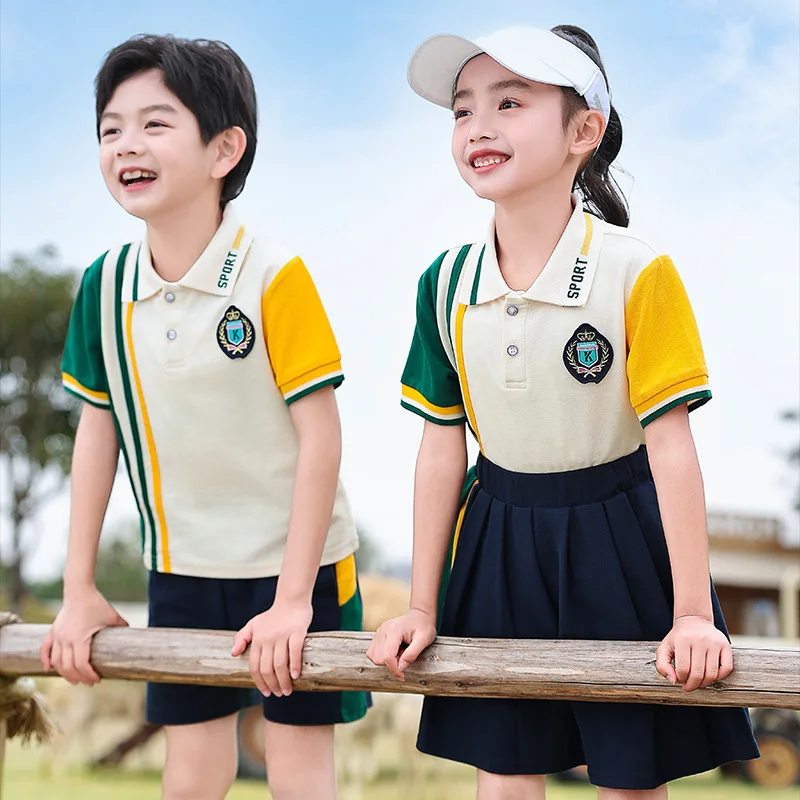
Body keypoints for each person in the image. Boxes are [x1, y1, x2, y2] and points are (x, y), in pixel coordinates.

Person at [367, 24, 759, 798]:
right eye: (462, 109)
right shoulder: (444, 284)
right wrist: (420, 604)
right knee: (506, 773)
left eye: (509, 102)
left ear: (585, 130)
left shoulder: (636, 271)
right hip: (499, 534)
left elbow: (672, 450)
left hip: (622, 538)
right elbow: (441, 449)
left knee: (627, 776)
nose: (478, 125)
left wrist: (691, 615)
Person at [40, 34, 368, 800]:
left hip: (302, 567)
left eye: (156, 124)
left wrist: (292, 601)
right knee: (189, 777)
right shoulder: (104, 285)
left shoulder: (274, 276)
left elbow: (321, 435)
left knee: (297, 774)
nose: (127, 144)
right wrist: (78, 588)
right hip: (183, 568)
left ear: (225, 149)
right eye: (111, 128)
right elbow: (98, 435)